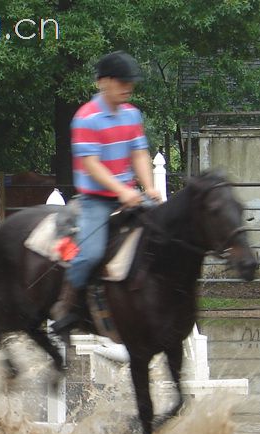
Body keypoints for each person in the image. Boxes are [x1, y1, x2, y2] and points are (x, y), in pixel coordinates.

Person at [51, 50, 162, 332]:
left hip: (130, 195)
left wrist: (148, 186)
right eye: (122, 81)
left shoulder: (132, 115)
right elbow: (91, 165)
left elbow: (139, 153)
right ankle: (70, 306)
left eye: (130, 82)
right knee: (90, 253)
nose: (128, 87)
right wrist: (121, 191)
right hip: (96, 200)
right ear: (104, 82)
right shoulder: (86, 118)